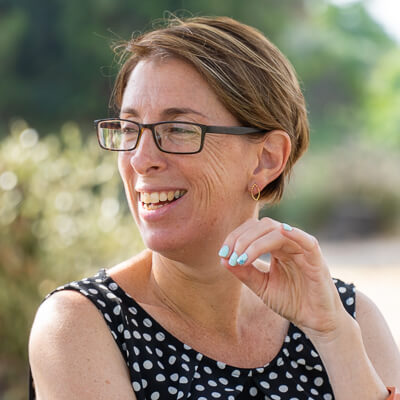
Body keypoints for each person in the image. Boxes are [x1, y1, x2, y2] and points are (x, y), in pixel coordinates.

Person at [29, 15, 400, 399]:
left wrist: (334, 336)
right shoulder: (81, 325)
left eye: (179, 129)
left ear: (266, 159)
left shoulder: (350, 319)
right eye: (129, 129)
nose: (140, 159)